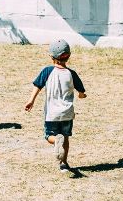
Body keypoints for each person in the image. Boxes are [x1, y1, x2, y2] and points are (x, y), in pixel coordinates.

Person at [24, 39, 87, 172]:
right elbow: (81, 91)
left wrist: (31, 101)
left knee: (49, 136)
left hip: (51, 114)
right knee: (65, 138)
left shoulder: (47, 71)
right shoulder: (72, 73)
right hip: (67, 113)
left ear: (51, 57)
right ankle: (63, 164)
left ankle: (55, 141)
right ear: (68, 56)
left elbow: (37, 86)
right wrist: (81, 95)